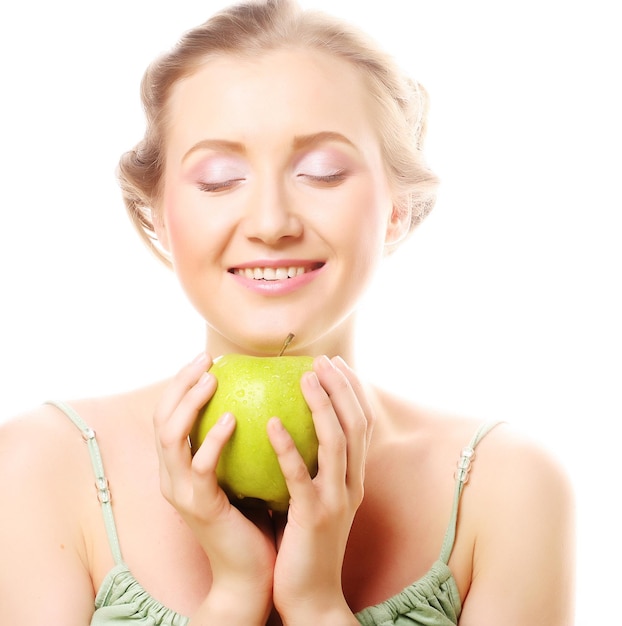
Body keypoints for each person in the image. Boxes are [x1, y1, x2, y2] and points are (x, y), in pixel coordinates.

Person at [0, 0, 575, 624]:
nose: (271, 223)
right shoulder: (43, 466)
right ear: (159, 215)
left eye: (323, 172)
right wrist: (235, 592)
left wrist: (316, 604)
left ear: (396, 208)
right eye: (220, 179)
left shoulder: (506, 487)